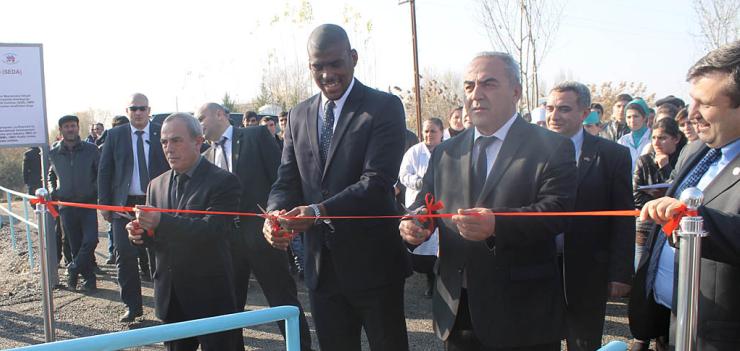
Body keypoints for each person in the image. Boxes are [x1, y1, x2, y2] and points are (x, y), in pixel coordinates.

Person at [400, 52, 577, 351]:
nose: (476, 95)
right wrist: (414, 225)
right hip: (458, 309)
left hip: (522, 313)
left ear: (516, 92)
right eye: (469, 86)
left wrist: (498, 224)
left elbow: (557, 212)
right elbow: (425, 204)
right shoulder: (446, 152)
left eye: (488, 84)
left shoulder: (552, 147)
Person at [264, 24, 410, 351]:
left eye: (335, 63)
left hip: (375, 267)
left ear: (353, 58)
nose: (327, 74)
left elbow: (377, 182)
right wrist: (274, 217)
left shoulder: (384, 107)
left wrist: (318, 212)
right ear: (309, 66)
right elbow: (287, 178)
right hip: (321, 269)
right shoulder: (299, 115)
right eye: (318, 66)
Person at [629, 40, 740, 351]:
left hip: (719, 336)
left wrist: (692, 220)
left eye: (704, 104)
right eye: (692, 101)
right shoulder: (696, 150)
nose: (690, 114)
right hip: (672, 320)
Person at [197, 102, 313, 350]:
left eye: (201, 118)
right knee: (231, 306)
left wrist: (282, 219)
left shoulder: (254, 136)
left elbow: (280, 178)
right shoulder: (205, 157)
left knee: (283, 299)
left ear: (219, 114)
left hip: (263, 236)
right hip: (227, 243)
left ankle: (301, 346)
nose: (199, 124)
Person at [127, 113, 242, 351]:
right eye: (164, 142)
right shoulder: (155, 184)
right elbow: (158, 239)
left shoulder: (223, 182)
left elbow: (212, 231)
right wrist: (140, 235)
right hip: (170, 297)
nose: (169, 148)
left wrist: (160, 221)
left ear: (198, 141)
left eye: (176, 140)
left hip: (210, 297)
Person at [544, 81, 635, 351]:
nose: (554, 115)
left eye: (564, 109)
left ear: (585, 113)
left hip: (588, 270)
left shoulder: (612, 155)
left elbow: (622, 216)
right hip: (538, 266)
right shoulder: (531, 152)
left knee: (583, 342)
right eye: (550, 108)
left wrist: (620, 273)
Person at [98, 93, 169, 322]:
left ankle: (165, 307)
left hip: (156, 202)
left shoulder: (162, 132)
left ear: (149, 110)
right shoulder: (115, 135)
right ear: (127, 111)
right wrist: (105, 205)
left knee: (160, 255)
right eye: (133, 108)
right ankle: (132, 306)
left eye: (142, 108)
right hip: (124, 205)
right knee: (124, 255)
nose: (138, 113)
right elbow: (105, 171)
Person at [48, 115, 101, 292]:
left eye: (73, 126)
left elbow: (100, 173)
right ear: (61, 130)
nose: (70, 129)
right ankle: (89, 279)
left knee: (91, 239)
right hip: (66, 206)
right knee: (75, 243)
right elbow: (51, 175)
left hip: (87, 204)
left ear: (78, 128)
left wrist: (93, 190)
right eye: (66, 126)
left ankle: (73, 268)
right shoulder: (54, 152)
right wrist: (53, 190)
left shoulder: (91, 150)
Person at [632, 118, 687, 269]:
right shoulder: (644, 161)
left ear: (676, 139)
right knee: (640, 269)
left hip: (675, 225)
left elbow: (680, 192)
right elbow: (636, 195)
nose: (656, 143)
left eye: (662, 138)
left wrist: (665, 167)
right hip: (646, 225)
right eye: (654, 137)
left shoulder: (683, 161)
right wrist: (656, 207)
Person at [399, 118, 444, 298]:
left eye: (433, 131)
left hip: (441, 204)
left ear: (441, 132)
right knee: (421, 242)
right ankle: (428, 278)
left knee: (439, 246)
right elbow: (403, 175)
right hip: (419, 202)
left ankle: (438, 279)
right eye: (426, 131)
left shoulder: (449, 151)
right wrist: (420, 183)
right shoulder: (414, 152)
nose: (429, 135)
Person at [618, 99, 651, 172]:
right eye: (629, 117)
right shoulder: (622, 141)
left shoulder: (653, 138)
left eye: (636, 116)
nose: (632, 120)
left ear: (645, 117)